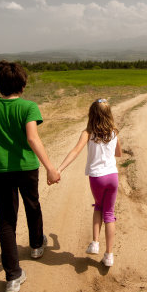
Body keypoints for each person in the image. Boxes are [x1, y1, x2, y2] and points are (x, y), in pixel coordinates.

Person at [0, 60, 60, 292]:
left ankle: (12, 276)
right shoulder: (29, 107)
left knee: (6, 221)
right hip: (27, 169)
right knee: (32, 205)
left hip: (2, 171)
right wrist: (50, 168)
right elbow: (33, 139)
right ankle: (36, 246)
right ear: (22, 85)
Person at [57, 98, 122, 267]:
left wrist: (60, 169)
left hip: (97, 178)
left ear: (91, 114)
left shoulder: (88, 133)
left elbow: (75, 151)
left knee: (98, 207)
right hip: (112, 177)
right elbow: (119, 153)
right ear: (109, 114)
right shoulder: (114, 131)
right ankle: (109, 255)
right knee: (109, 214)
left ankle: (95, 243)